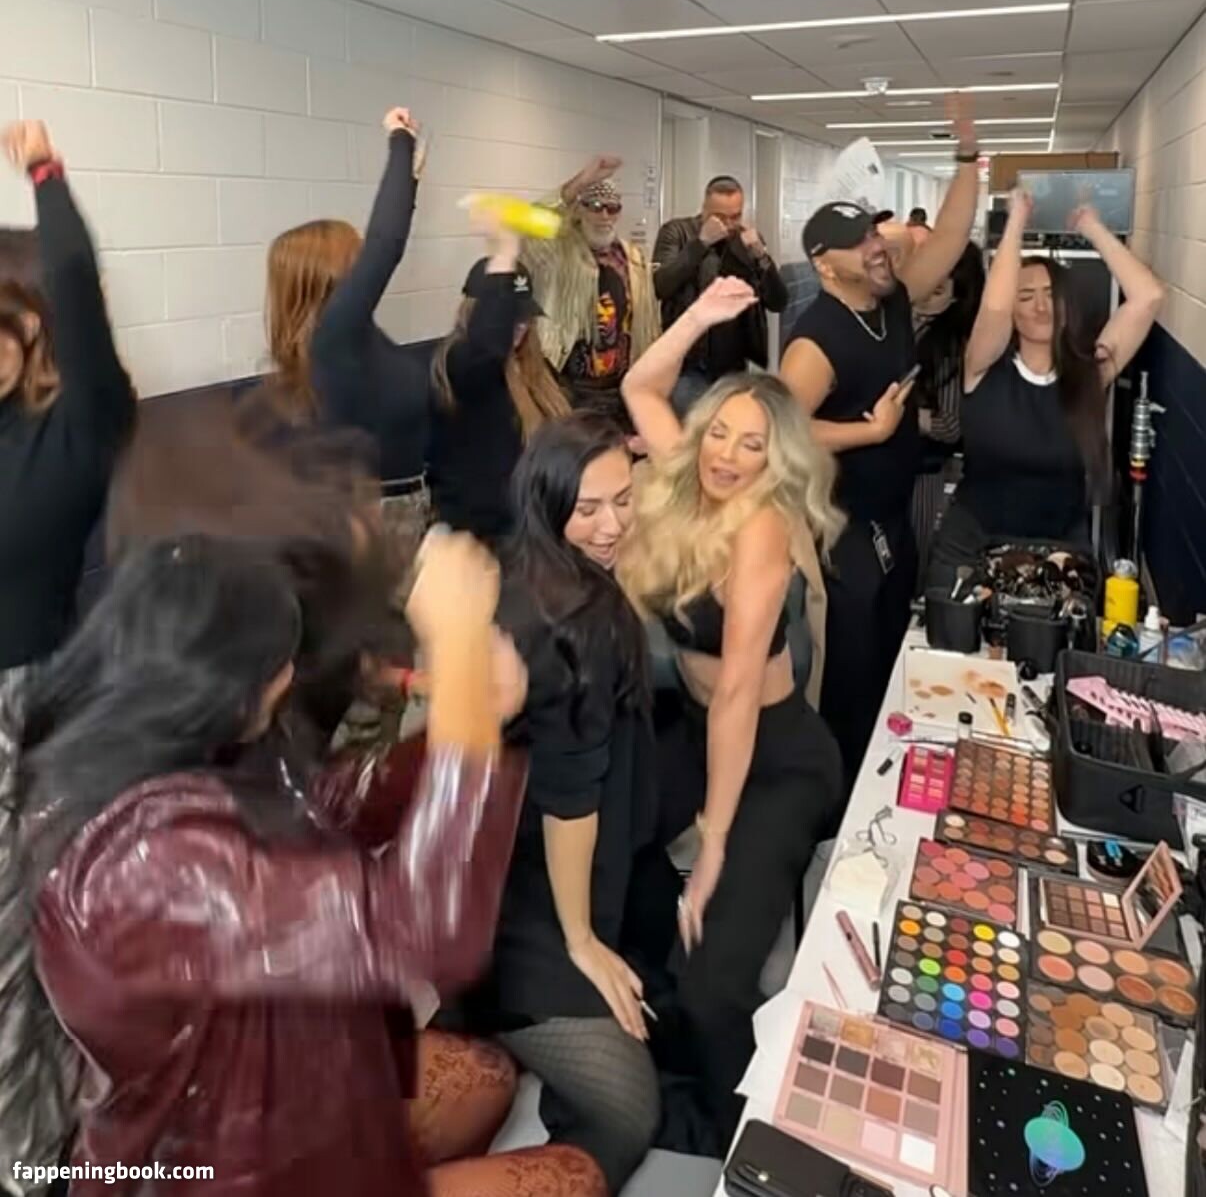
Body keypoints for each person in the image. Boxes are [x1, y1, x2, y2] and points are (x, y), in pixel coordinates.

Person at [18, 530, 606, 1197]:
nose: (291, 677)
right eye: (279, 667)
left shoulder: (173, 739)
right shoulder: (147, 862)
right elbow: (425, 927)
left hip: (276, 1082)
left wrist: (463, 718)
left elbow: (319, 808)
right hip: (217, 1169)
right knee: (576, 1179)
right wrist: (459, 662)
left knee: (487, 1079)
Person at [618, 277, 846, 1143]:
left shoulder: (762, 529)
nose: (725, 455)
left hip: (777, 755)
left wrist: (712, 843)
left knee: (716, 983)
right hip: (700, 730)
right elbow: (641, 387)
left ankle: (735, 1129)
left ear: (774, 459)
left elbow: (741, 695)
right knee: (617, 855)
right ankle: (654, 1048)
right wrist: (699, 318)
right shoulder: (690, 483)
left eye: (751, 444)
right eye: (717, 431)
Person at [469, 413, 659, 1194]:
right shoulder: (575, 622)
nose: (612, 525)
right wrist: (580, 940)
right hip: (531, 902)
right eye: (589, 509)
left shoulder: (534, 567)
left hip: (522, 868)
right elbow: (569, 800)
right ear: (548, 504)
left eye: (624, 499)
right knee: (629, 1110)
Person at [0, 118, 135, 1182]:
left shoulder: (76, 433)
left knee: (39, 954)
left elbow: (82, 300)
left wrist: (47, 176)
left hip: (39, 713)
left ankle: (37, 1153)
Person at [780, 99, 980, 790]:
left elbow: (951, 236)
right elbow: (778, 427)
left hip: (893, 521)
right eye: (857, 241)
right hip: (845, 534)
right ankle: (838, 801)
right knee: (852, 679)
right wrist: (869, 430)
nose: (875, 246)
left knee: (895, 654)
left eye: (872, 231)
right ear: (823, 264)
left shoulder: (891, 299)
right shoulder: (817, 340)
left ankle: (884, 778)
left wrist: (967, 149)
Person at [927, 190, 1164, 587]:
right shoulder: (983, 364)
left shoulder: (1090, 373)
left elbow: (1148, 297)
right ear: (1013, 309)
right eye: (1026, 296)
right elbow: (994, 307)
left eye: (1051, 295)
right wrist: (1016, 222)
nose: (1041, 307)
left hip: (1058, 552)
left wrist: (1092, 227)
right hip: (973, 546)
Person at [259, 106, 430, 567]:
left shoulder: (351, 341)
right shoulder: (333, 341)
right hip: (369, 528)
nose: (364, 265)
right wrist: (399, 141)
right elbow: (386, 245)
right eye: (355, 255)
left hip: (395, 519)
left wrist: (410, 180)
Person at [429, 215, 570, 547]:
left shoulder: (534, 366)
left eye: (525, 317)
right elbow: (486, 352)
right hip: (485, 533)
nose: (520, 325)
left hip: (535, 523)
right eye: (510, 316)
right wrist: (505, 254)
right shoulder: (460, 363)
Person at [521, 155, 659, 433]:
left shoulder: (633, 258)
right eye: (595, 207)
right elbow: (529, 226)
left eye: (612, 208)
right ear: (579, 209)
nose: (604, 216)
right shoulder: (558, 253)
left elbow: (648, 324)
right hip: (567, 387)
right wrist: (579, 183)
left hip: (620, 390)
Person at [652, 176, 787, 413]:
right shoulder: (677, 232)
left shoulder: (747, 240)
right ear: (704, 208)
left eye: (735, 216)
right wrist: (701, 242)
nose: (728, 224)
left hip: (734, 366)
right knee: (690, 431)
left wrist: (762, 257)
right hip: (688, 364)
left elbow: (778, 301)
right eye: (720, 216)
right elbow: (661, 285)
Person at [910, 242, 985, 583]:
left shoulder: (954, 344)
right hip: (885, 466)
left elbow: (952, 425)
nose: (926, 295)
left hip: (923, 473)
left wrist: (905, 417)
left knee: (915, 563)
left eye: (938, 289)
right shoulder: (902, 321)